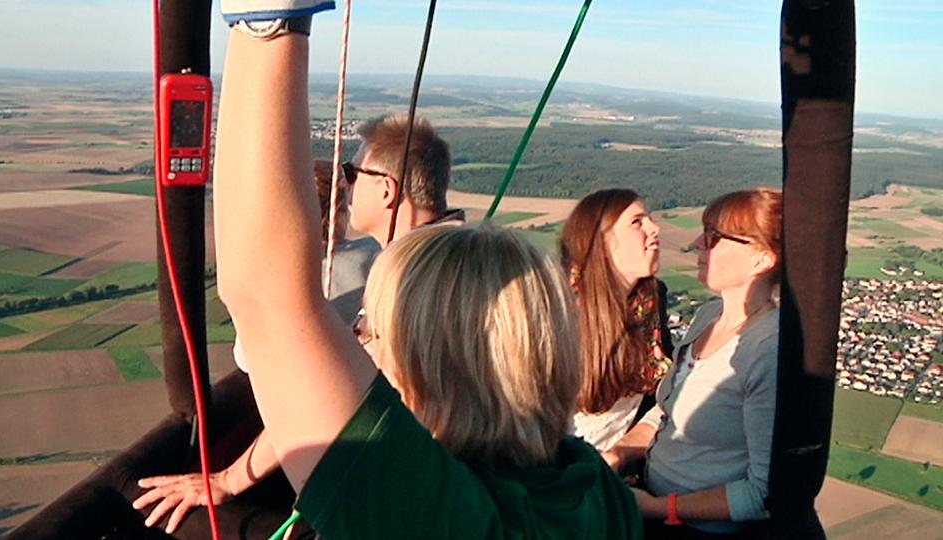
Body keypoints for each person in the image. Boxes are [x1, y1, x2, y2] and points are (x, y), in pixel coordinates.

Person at [140, 5, 642, 539]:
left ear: (429, 372)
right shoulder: (593, 488)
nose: (371, 354)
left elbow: (266, 297)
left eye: (379, 338)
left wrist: (268, 20)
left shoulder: (441, 516)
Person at [134, 160, 379, 533]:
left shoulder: (285, 283)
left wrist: (227, 481)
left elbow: (253, 363)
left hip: (325, 453)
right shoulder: (379, 257)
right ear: (340, 209)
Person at [612, 188, 783, 538]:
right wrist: (619, 454)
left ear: (761, 259)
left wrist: (659, 509)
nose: (696, 243)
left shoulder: (766, 350)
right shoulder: (709, 315)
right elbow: (666, 410)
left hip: (696, 528)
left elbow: (761, 493)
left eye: (714, 236)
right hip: (651, 494)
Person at [560, 189, 674, 461]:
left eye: (649, 219)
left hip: (611, 467)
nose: (654, 228)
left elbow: (664, 395)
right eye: (637, 222)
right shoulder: (558, 312)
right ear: (602, 242)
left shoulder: (651, 303)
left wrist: (619, 456)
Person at [345, 114, 463, 246]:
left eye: (352, 173)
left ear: (386, 192)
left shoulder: (424, 263)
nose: (343, 183)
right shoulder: (454, 251)